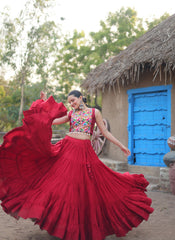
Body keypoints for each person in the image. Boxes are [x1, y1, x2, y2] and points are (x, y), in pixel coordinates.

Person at [0, 90, 154, 240]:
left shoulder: (94, 112)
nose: (72, 104)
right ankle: (56, 221)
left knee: (91, 186)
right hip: (67, 149)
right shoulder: (70, 114)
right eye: (69, 102)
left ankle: (83, 227)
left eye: (73, 100)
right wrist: (44, 103)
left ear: (81, 98)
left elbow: (105, 133)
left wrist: (121, 146)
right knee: (62, 187)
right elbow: (51, 121)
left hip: (85, 152)